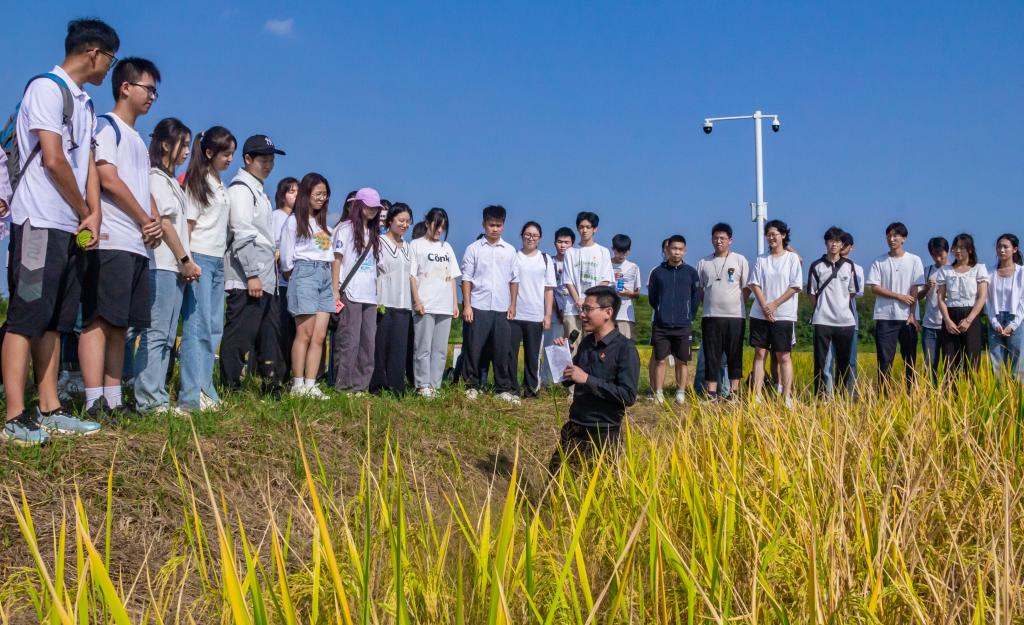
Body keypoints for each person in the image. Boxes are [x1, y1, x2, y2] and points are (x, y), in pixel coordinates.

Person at [2, 19, 119, 445]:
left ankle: (49, 408)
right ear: (94, 53)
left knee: (55, 320)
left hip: (70, 227)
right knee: (26, 316)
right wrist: (84, 209)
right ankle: (15, 416)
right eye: (110, 59)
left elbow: (85, 163)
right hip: (38, 221)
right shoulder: (46, 89)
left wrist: (92, 215)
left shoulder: (85, 104)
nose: (109, 68)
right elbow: (52, 158)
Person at [80, 57, 164, 419]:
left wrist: (154, 221)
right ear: (125, 87)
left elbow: (143, 189)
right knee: (99, 321)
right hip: (112, 239)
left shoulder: (138, 140)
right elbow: (108, 178)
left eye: (156, 91)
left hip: (136, 244)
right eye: (148, 89)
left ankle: (113, 400)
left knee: (120, 324)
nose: (153, 97)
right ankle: (92, 399)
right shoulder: (106, 126)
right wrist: (144, 218)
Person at [133, 118, 200, 414]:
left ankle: (157, 395)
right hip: (161, 264)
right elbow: (163, 223)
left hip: (173, 267)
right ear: (164, 144)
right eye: (182, 145)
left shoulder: (172, 181)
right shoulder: (155, 178)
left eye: (188, 145)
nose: (186, 151)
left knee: (168, 335)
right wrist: (185, 260)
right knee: (156, 333)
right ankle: (147, 398)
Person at [547, 286, 640, 475]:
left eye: (588, 309)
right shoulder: (586, 343)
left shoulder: (625, 349)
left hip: (603, 434)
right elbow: (567, 381)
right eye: (582, 309)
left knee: (598, 488)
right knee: (555, 481)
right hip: (575, 427)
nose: (582, 314)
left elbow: (628, 396)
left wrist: (587, 379)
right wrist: (563, 357)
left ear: (608, 313)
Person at [220, 135, 286, 393]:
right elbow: (242, 234)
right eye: (263, 160)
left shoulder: (258, 190)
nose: (268, 165)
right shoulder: (241, 190)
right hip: (247, 277)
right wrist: (252, 274)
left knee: (268, 334)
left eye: (271, 161)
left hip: (265, 277)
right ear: (248, 159)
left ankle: (271, 386)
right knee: (240, 333)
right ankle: (230, 387)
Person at [179, 126, 235, 412]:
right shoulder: (197, 181)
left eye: (232, 154)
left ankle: (205, 387)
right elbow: (187, 226)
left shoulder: (220, 183)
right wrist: (186, 260)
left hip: (217, 259)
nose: (229, 159)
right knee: (197, 327)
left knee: (213, 327)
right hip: (199, 257)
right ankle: (191, 394)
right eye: (225, 154)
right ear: (210, 152)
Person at [280, 173, 333, 398]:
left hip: (325, 274)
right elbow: (286, 258)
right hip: (305, 273)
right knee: (305, 333)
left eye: (324, 194)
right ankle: (297, 384)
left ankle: (311, 384)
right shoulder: (294, 221)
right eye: (317, 194)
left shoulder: (324, 225)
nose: (321, 198)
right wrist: (296, 276)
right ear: (306, 194)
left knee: (319, 335)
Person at [460, 205, 519, 403]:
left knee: (502, 350)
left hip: (502, 307)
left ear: (504, 225)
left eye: (498, 225)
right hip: (478, 305)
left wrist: (513, 305)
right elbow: (466, 278)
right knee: (474, 348)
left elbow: (514, 280)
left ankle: (502, 388)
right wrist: (467, 305)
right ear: (483, 224)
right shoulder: (473, 248)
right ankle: (471, 386)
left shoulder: (510, 250)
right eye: (491, 225)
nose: (495, 229)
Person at [331, 187, 383, 393]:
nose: (372, 211)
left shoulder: (375, 233)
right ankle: (343, 386)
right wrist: (335, 290)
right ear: (359, 205)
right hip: (350, 292)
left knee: (368, 343)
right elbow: (336, 260)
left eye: (375, 208)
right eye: (369, 206)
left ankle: (361, 386)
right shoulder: (345, 229)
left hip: (370, 295)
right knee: (349, 341)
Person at [748, 220, 802, 406]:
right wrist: (765, 306)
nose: (771, 238)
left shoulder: (792, 258)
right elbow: (754, 283)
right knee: (760, 354)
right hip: (760, 313)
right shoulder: (761, 259)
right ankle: (757, 396)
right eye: (768, 234)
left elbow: (795, 286)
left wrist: (774, 304)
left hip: (784, 314)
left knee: (783, 356)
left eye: (774, 234)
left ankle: (786, 396)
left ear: (783, 235)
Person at [867, 222, 925, 391]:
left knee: (910, 360)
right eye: (889, 236)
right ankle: (883, 396)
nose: (891, 239)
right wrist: (899, 296)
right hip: (885, 317)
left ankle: (911, 395)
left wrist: (912, 314)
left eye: (895, 236)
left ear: (904, 238)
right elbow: (874, 287)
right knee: (885, 361)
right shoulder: (879, 261)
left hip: (908, 319)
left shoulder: (914, 260)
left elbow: (915, 288)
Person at [409, 208, 460, 396]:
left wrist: (454, 303)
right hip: (425, 304)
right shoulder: (416, 245)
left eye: (443, 227)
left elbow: (452, 276)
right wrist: (417, 301)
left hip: (444, 305)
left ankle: (434, 385)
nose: (439, 230)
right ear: (427, 222)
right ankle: (422, 385)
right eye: (436, 225)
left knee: (440, 349)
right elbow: (412, 276)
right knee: (423, 347)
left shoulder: (447, 247)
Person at [695, 222, 749, 400]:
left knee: (735, 354)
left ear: (730, 240)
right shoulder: (703, 262)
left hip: (735, 316)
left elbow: (747, 288)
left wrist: (736, 303)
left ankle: (734, 393)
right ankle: (712, 393)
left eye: (722, 238)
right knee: (711, 355)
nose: (719, 241)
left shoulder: (740, 260)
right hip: (711, 316)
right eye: (716, 238)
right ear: (711, 239)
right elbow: (700, 289)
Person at [647, 234, 699, 405]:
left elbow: (696, 297)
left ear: (685, 251)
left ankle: (680, 392)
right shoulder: (657, 272)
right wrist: (661, 311)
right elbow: (652, 297)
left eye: (680, 249)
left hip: (683, 324)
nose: (677, 252)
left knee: (682, 361)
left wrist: (689, 316)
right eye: (674, 248)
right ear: (668, 250)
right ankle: (659, 393)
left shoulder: (691, 273)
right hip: (661, 324)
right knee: (660, 359)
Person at [806, 227, 857, 397]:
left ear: (842, 244)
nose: (834, 244)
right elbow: (811, 293)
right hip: (822, 320)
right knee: (821, 362)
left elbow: (852, 292)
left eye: (837, 241)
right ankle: (821, 398)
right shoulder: (816, 266)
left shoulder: (849, 266)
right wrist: (821, 307)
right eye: (830, 240)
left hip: (845, 321)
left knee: (844, 363)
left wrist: (840, 305)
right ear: (826, 243)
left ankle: (841, 398)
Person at [370, 202, 413, 395]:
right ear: (390, 221)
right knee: (380, 346)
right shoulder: (379, 242)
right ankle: (377, 385)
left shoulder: (408, 247)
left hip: (403, 304)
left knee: (398, 347)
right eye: (401, 220)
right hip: (384, 301)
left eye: (408, 221)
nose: (405, 225)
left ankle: (396, 387)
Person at [510, 221, 556, 398]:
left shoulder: (545, 259)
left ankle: (531, 389)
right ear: (522, 235)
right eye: (528, 234)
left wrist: (548, 315)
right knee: (511, 353)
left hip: (536, 314)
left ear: (540, 238)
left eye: (535, 235)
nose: (531, 238)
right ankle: (511, 388)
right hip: (514, 314)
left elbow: (549, 288)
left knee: (533, 355)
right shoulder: (514, 256)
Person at [936, 233, 988, 376]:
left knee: (972, 361)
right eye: (955, 248)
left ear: (970, 249)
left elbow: (982, 297)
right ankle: (949, 390)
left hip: (971, 316)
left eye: (962, 248)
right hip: (950, 316)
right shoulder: (945, 270)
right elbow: (940, 298)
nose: (957, 251)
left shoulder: (979, 268)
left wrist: (969, 320)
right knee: (949, 361)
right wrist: (947, 320)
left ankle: (971, 390)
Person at [563, 211, 614, 349]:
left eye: (588, 227)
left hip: (594, 309)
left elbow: (605, 281)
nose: (584, 230)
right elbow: (568, 280)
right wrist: (578, 300)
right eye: (581, 227)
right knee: (571, 347)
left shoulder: (603, 251)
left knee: (592, 347)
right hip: (573, 308)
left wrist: (588, 301)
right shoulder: (570, 252)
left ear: (595, 229)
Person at [822, 231, 864, 394]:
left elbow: (854, 293)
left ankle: (850, 396)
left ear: (850, 247)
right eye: (837, 242)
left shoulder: (856, 268)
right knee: (827, 361)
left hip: (848, 320)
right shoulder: (823, 265)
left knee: (849, 361)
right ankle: (828, 396)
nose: (841, 247)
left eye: (844, 244)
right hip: (826, 320)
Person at [986, 234, 1024, 380]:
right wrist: (994, 322)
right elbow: (986, 300)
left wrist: (1013, 324)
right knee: (996, 365)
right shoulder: (989, 273)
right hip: (995, 320)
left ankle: (1017, 394)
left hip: (1016, 319)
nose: (1001, 250)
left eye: (1005, 247)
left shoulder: (1022, 272)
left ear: (1014, 249)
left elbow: (1023, 301)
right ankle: (999, 394)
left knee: (1018, 365)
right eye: (999, 247)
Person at [272, 177, 299, 380]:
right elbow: (273, 247)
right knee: (278, 329)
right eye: (291, 191)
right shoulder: (276, 217)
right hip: (279, 282)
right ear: (282, 195)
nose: (296, 195)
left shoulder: (301, 219)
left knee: (292, 330)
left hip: (296, 284)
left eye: (298, 191)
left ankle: (289, 373)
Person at [541, 227, 575, 386]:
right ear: (554, 243)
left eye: (567, 242)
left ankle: (567, 383)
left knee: (570, 347)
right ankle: (547, 383)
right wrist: (556, 310)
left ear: (572, 244)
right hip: (553, 314)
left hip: (572, 311)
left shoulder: (575, 262)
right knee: (550, 347)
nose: (563, 245)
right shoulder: (549, 261)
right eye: (560, 242)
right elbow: (548, 289)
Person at [919, 237, 949, 382]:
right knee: (929, 365)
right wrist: (926, 288)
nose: (937, 258)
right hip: (929, 325)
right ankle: (931, 393)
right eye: (934, 254)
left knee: (950, 364)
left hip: (948, 325)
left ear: (947, 251)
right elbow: (918, 297)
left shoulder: (954, 270)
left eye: (940, 254)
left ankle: (950, 393)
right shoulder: (927, 271)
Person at [610, 234, 641, 341]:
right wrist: (611, 277)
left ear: (629, 251)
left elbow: (637, 293)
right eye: (618, 251)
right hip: (608, 314)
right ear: (613, 249)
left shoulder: (634, 267)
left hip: (626, 316)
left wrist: (628, 293)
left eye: (624, 252)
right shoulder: (606, 265)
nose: (621, 255)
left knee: (626, 345)